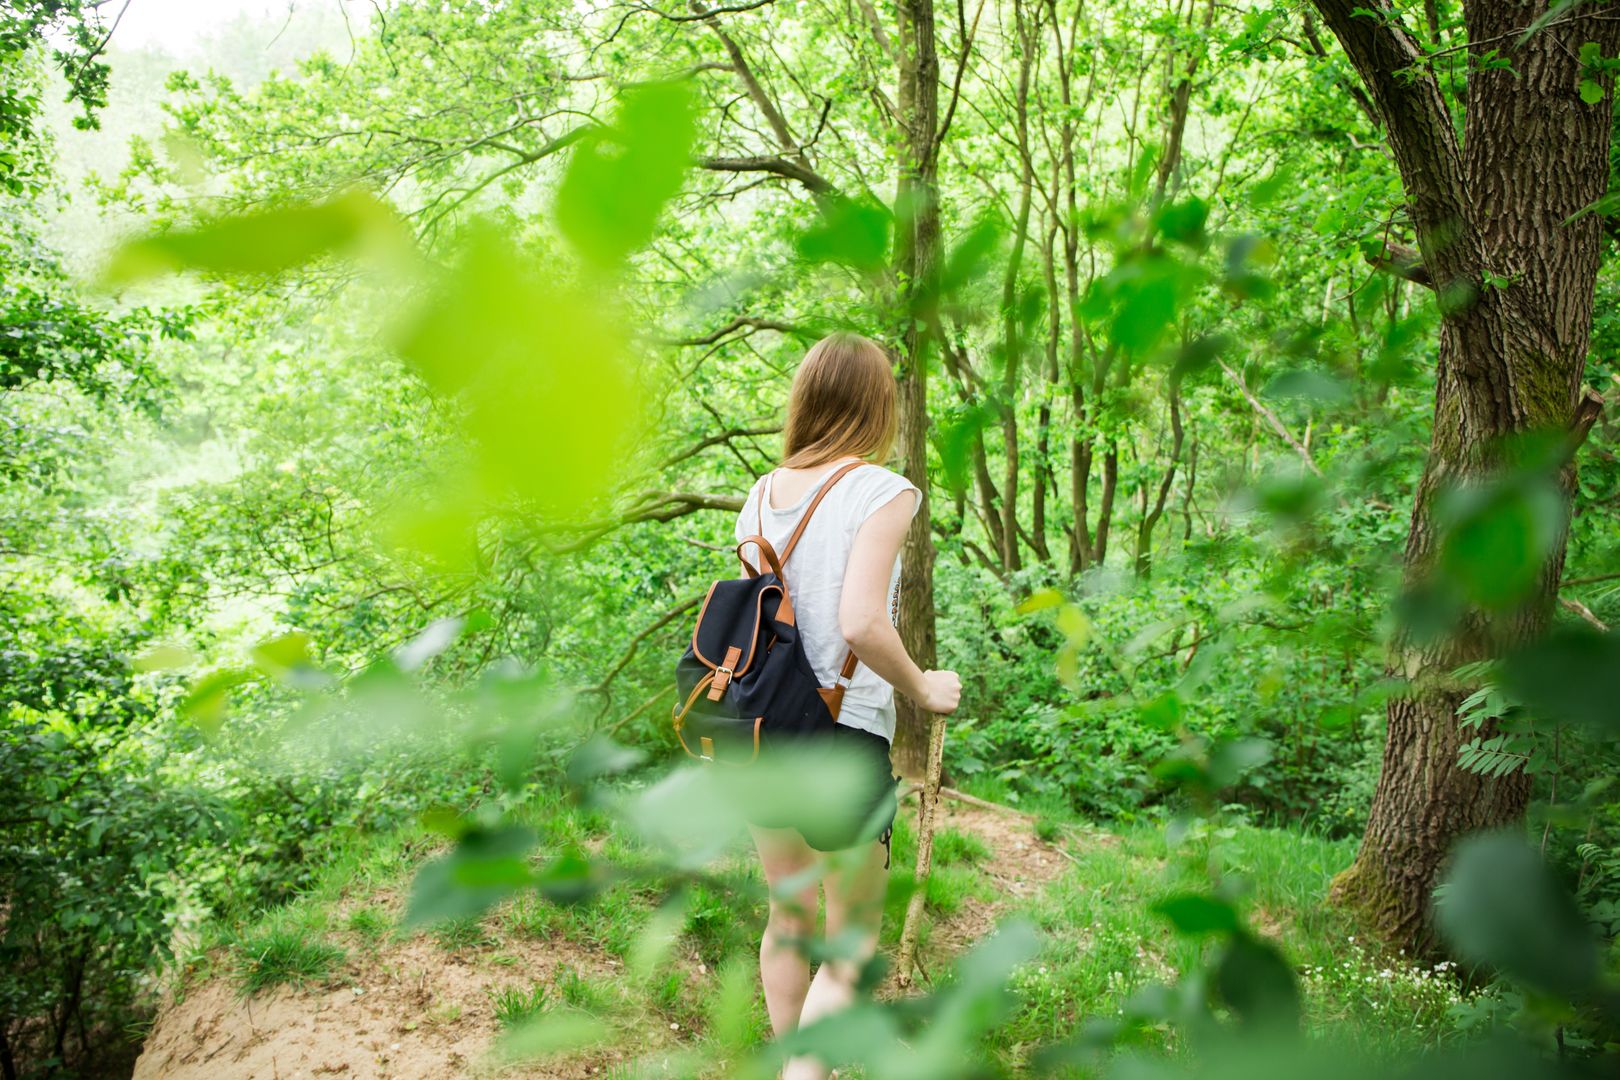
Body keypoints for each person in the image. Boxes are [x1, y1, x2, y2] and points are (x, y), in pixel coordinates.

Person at [734, 331, 962, 1080]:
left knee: (789, 920)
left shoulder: (760, 496)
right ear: (877, 406)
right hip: (841, 735)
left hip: (760, 734)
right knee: (850, 941)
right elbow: (863, 620)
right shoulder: (882, 490)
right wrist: (925, 687)